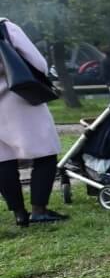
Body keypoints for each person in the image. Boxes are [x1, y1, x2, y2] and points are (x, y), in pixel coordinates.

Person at [0, 18, 65, 227]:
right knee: (45, 153)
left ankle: (19, 213)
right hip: (20, 99)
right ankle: (39, 210)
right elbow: (39, 65)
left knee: (3, 160)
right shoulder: (5, 26)